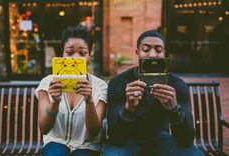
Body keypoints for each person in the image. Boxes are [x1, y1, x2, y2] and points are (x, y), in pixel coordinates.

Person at [102, 30, 204, 156]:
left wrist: (174, 109)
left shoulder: (176, 84)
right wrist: (128, 109)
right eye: (145, 49)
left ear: (164, 54)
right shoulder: (119, 82)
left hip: (160, 137)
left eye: (158, 50)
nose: (152, 55)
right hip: (129, 138)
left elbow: (186, 140)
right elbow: (115, 138)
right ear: (137, 53)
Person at [35, 25, 107, 156]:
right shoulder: (47, 83)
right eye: (69, 53)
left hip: (87, 145)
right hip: (55, 142)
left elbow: (94, 132)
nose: (75, 58)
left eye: (82, 53)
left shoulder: (100, 87)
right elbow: (44, 128)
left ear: (89, 56)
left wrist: (89, 101)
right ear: (62, 54)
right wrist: (54, 103)